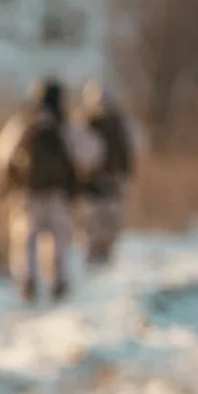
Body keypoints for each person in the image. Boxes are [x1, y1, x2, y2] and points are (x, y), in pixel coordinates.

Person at [0, 78, 102, 303]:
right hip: (58, 195)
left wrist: (11, 179)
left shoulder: (22, 123)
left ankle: (27, 283)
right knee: (60, 240)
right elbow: (92, 152)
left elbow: (0, 155)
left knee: (25, 240)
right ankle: (57, 283)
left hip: (27, 194)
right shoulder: (66, 126)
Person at [72, 78, 144, 266]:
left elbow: (76, 151)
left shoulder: (82, 122)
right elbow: (138, 145)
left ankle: (94, 263)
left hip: (93, 183)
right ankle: (105, 262)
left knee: (91, 228)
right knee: (111, 226)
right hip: (116, 182)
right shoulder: (123, 123)